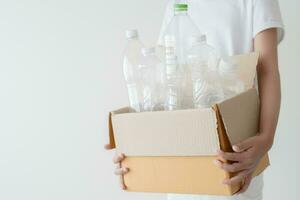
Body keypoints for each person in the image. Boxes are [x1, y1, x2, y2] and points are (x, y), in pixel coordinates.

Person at [105, 0, 285, 199]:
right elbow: (163, 78)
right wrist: (135, 150)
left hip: (234, 156)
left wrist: (266, 138)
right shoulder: (177, 4)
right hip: (182, 163)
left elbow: (267, 70)